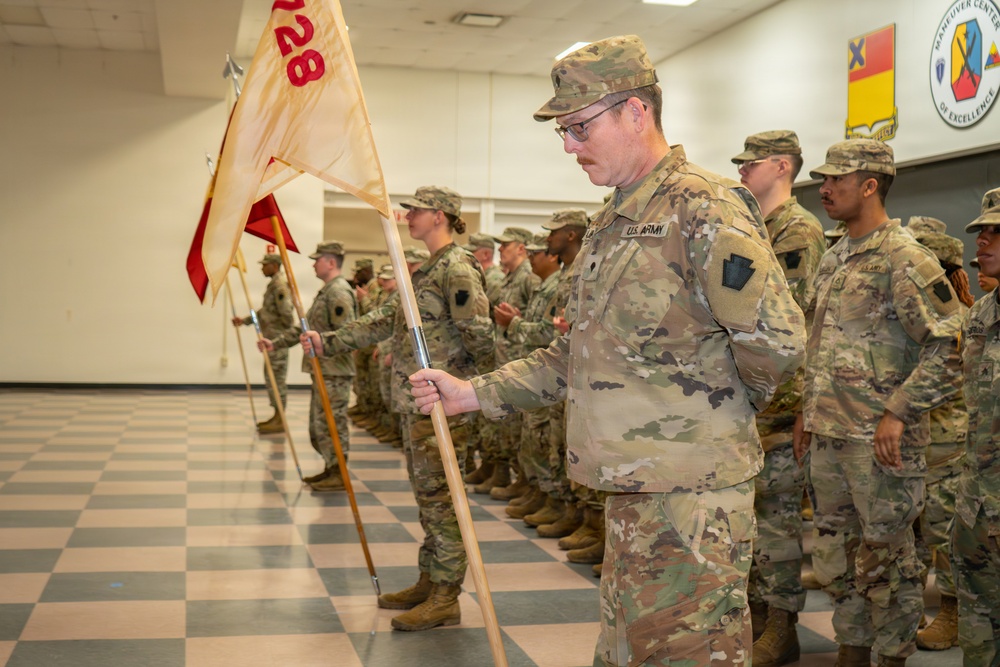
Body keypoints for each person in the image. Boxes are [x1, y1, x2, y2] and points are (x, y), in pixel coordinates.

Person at [409, 35, 806, 667]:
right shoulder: (612, 223)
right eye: (562, 131)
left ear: (635, 113)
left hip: (690, 495)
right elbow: (579, 354)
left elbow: (779, 341)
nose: (569, 146)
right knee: (629, 652)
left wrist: (712, 417)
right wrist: (473, 393)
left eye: (579, 127)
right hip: (634, 489)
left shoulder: (700, 207)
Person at [793, 140, 963, 667]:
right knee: (834, 553)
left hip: (880, 443)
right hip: (829, 433)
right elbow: (817, 341)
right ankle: (853, 648)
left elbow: (951, 346)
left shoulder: (905, 257)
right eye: (823, 180)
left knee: (887, 557)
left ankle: (890, 655)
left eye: (836, 180)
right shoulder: (836, 255)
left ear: (870, 185)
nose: (824, 189)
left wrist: (899, 410)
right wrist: (805, 410)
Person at [301, 186, 494, 632]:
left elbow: (481, 336)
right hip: (417, 406)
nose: (408, 216)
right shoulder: (425, 270)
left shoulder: (457, 268)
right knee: (428, 498)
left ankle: (447, 596)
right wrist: (327, 341)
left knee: (443, 501)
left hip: (444, 406)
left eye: (417, 210)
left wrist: (475, 394)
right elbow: (384, 319)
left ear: (441, 216)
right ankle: (430, 580)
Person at [731, 130, 826, 667]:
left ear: (782, 166)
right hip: (751, 397)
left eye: (752, 163)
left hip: (783, 398)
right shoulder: (757, 227)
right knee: (750, 518)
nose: (742, 170)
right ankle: (756, 614)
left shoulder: (797, 230)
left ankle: (782, 625)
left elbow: (797, 322)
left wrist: (806, 407)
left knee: (778, 519)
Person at [903, 216, 973, 652]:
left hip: (948, 447)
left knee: (946, 533)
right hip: (915, 444)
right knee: (913, 536)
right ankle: (912, 611)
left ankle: (952, 611)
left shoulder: (956, 318)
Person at [258, 241, 357, 491]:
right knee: (319, 427)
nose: (314, 264)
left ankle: (339, 472)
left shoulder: (339, 293)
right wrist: (276, 344)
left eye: (318, 259)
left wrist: (324, 344)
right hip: (322, 370)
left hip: (335, 371)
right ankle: (330, 468)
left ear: (331, 263)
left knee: (332, 424)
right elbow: (304, 328)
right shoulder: (326, 292)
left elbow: (348, 334)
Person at [952, 187, 1000, 666]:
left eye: (995, 231)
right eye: (981, 231)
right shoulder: (982, 314)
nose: (981, 241)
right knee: (979, 625)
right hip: (978, 501)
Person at [495, 232, 563, 523]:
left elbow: (549, 333)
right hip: (534, 371)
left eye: (537, 253)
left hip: (549, 375)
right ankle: (536, 488)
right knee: (532, 437)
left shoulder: (553, 285)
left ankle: (554, 498)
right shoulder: (543, 286)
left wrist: (515, 323)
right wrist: (519, 319)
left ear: (551, 256)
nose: (532, 258)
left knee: (545, 439)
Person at [476, 226, 539, 499]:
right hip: (503, 359)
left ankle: (521, 479)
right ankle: (501, 471)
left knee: (518, 427)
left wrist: (516, 319)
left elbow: (534, 319)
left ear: (522, 248)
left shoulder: (529, 278)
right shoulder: (509, 277)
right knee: (502, 424)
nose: (500, 250)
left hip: (520, 362)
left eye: (506, 245)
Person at [232, 253, 297, 434]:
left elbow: (286, 314)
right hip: (271, 340)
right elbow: (265, 312)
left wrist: (279, 333)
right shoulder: (273, 285)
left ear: (275, 266)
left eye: (264, 265)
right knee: (271, 378)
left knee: (277, 380)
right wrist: (245, 321)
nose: (262, 268)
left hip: (277, 341)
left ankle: (280, 419)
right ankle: (277, 415)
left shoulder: (280, 285)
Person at [465, 233, 505, 304]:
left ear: (485, 254)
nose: (467, 256)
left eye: (471, 252)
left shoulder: (495, 280)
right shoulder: (480, 276)